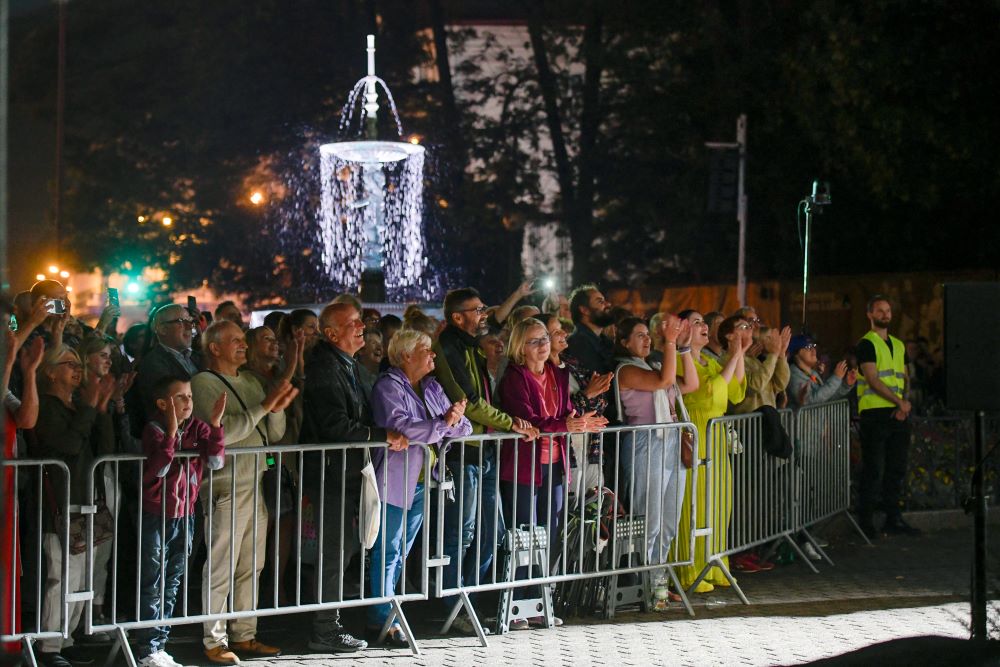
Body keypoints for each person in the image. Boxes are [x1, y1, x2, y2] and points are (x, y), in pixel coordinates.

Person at [299, 303, 407, 654]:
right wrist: (382, 435)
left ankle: (328, 624)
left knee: (342, 552)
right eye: (352, 323)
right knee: (334, 553)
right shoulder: (325, 369)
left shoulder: (347, 365)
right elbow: (335, 426)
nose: (362, 325)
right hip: (332, 472)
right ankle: (324, 629)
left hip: (345, 472)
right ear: (331, 334)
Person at [192, 321, 296, 665]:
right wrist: (265, 406)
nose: (243, 345)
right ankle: (214, 639)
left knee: (253, 564)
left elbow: (273, 433)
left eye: (242, 340)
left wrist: (276, 409)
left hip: (255, 482)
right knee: (222, 565)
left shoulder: (251, 381)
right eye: (234, 341)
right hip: (226, 486)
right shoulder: (203, 383)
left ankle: (245, 634)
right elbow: (223, 433)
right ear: (214, 348)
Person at [496, 317, 607, 629]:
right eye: (535, 341)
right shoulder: (515, 378)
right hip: (524, 466)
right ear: (521, 346)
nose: (544, 345)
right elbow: (526, 419)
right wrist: (567, 424)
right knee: (524, 534)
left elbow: (563, 413)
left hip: (556, 463)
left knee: (551, 534)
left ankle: (540, 602)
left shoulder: (559, 374)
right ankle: (516, 604)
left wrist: (581, 420)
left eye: (545, 338)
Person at [368, 329, 472, 646]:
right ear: (405, 355)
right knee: (387, 550)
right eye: (426, 350)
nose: (433, 355)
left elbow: (464, 427)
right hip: (395, 479)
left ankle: (390, 610)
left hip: (423, 480)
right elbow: (405, 428)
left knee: (401, 552)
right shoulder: (388, 387)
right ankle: (381, 616)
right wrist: (443, 424)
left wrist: (446, 423)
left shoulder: (431, 385)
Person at [31, 345, 116, 667]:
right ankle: (50, 646)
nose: (78, 370)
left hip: (84, 500)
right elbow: (66, 445)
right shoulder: (49, 406)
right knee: (62, 575)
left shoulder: (80, 405)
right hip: (59, 503)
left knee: (82, 577)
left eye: (79, 364)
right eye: (69, 364)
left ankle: (69, 637)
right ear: (50, 371)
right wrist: (90, 408)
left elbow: (104, 449)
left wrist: (101, 407)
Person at [136, 377, 226, 667]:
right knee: (153, 580)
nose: (188, 402)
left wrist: (215, 426)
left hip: (185, 513)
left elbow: (215, 462)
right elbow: (160, 468)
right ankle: (147, 646)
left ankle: (160, 643)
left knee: (172, 580)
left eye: (189, 396)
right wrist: (172, 434)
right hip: (157, 514)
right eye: (180, 397)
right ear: (163, 404)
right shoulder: (155, 428)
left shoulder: (198, 427)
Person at [613, 315, 697, 594]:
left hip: (671, 443)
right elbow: (663, 382)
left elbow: (690, 384)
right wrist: (670, 341)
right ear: (624, 343)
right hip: (645, 443)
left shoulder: (657, 364)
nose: (647, 339)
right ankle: (643, 583)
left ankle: (658, 580)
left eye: (648, 334)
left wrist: (683, 349)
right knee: (649, 519)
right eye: (639, 335)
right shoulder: (625, 370)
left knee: (669, 520)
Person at [670, 310, 749, 593]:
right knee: (696, 503)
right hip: (696, 433)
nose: (704, 326)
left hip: (715, 438)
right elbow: (706, 391)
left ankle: (715, 563)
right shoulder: (682, 361)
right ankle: (690, 567)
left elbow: (735, 393)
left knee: (718, 503)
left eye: (704, 322)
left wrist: (738, 353)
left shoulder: (711, 362)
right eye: (697, 322)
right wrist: (735, 355)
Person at [854, 295, 918, 538]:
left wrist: (904, 404)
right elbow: (872, 378)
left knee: (896, 468)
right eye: (880, 311)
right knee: (874, 468)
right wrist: (899, 402)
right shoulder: (866, 344)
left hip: (898, 413)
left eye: (888, 310)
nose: (885, 315)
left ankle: (893, 518)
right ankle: (866, 522)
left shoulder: (899, 345)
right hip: (875, 413)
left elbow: (905, 377)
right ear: (869, 314)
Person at [130, 304, 201, 435]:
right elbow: (172, 403)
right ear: (162, 329)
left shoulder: (196, 357)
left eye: (190, 321)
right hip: (172, 440)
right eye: (181, 321)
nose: (189, 326)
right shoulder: (153, 363)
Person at [723, 319, 791, 414]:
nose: (750, 329)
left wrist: (781, 354)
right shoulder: (726, 361)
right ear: (729, 336)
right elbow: (755, 386)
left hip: (765, 421)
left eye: (749, 327)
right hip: (746, 425)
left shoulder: (752, 359)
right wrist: (774, 354)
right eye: (743, 327)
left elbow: (779, 384)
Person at [786, 335, 856, 409]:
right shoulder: (793, 375)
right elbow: (810, 401)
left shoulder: (813, 373)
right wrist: (836, 378)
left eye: (814, 346)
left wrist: (845, 385)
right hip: (805, 420)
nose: (814, 350)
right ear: (796, 353)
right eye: (808, 347)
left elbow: (826, 397)